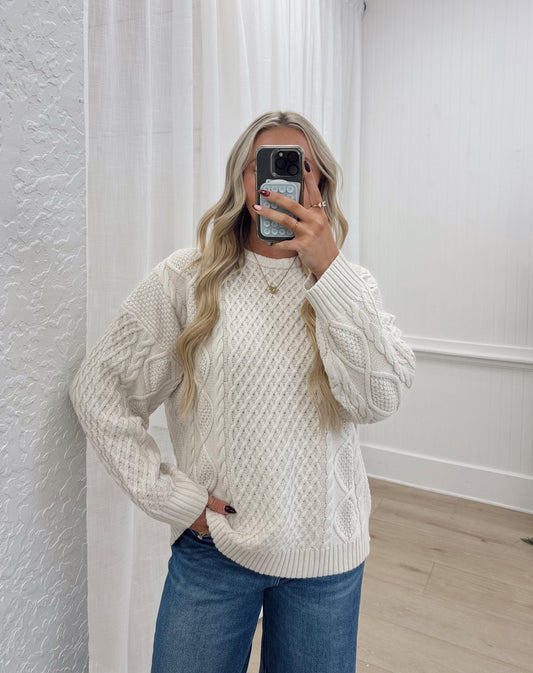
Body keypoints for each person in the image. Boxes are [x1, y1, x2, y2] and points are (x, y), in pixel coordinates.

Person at [69, 110, 415, 673]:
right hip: (215, 552)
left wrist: (328, 270)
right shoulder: (186, 280)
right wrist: (174, 500)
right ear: (242, 179)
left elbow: (380, 399)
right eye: (264, 165)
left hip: (325, 559)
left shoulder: (349, 286)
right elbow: (98, 390)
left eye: (299, 166)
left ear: (320, 183)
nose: (281, 179)